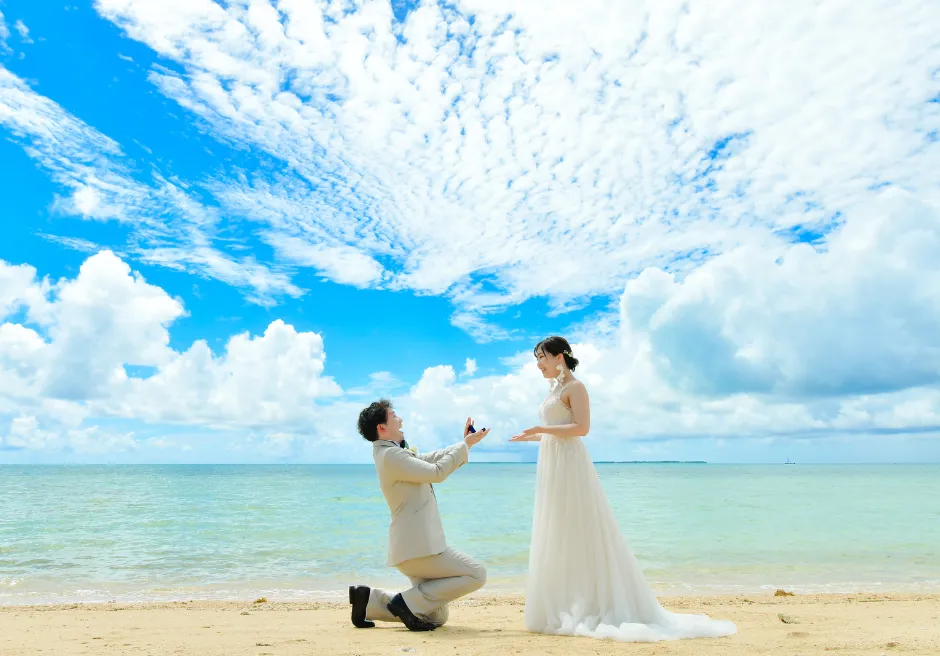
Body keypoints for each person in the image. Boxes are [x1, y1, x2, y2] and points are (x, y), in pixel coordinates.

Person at [509, 336, 737, 641]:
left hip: (570, 466)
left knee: (578, 528)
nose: (538, 364)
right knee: (558, 530)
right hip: (553, 463)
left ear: (559, 357)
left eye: (542, 358)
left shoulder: (576, 388)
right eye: (537, 359)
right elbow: (558, 433)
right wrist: (533, 437)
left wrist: (542, 429)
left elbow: (581, 428)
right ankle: (565, 600)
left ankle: (594, 601)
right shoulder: (554, 391)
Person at [349, 399, 489, 632]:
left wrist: (464, 445)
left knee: (436, 616)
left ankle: (368, 601)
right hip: (419, 548)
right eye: (394, 415)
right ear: (382, 428)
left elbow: (428, 460)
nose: (400, 419)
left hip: (412, 549)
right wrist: (463, 447)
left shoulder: (392, 453)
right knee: (477, 573)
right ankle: (404, 602)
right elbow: (436, 472)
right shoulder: (391, 456)